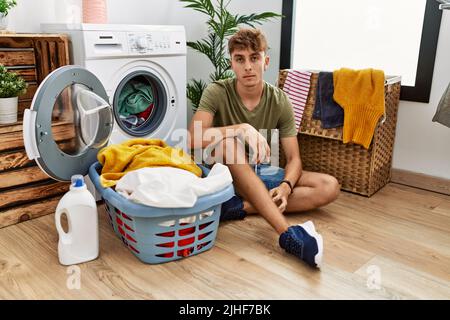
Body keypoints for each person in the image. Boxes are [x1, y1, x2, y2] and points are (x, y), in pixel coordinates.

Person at [188, 28, 340, 268]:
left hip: (259, 175)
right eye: (240, 59)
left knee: (328, 186)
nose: (248, 66)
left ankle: (239, 208)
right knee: (228, 144)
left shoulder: (280, 100)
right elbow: (192, 139)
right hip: (223, 176)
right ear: (232, 64)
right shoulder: (217, 91)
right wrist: (240, 128)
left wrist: (286, 187)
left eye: (254, 58)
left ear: (265, 61)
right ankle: (288, 235)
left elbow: (294, 159)